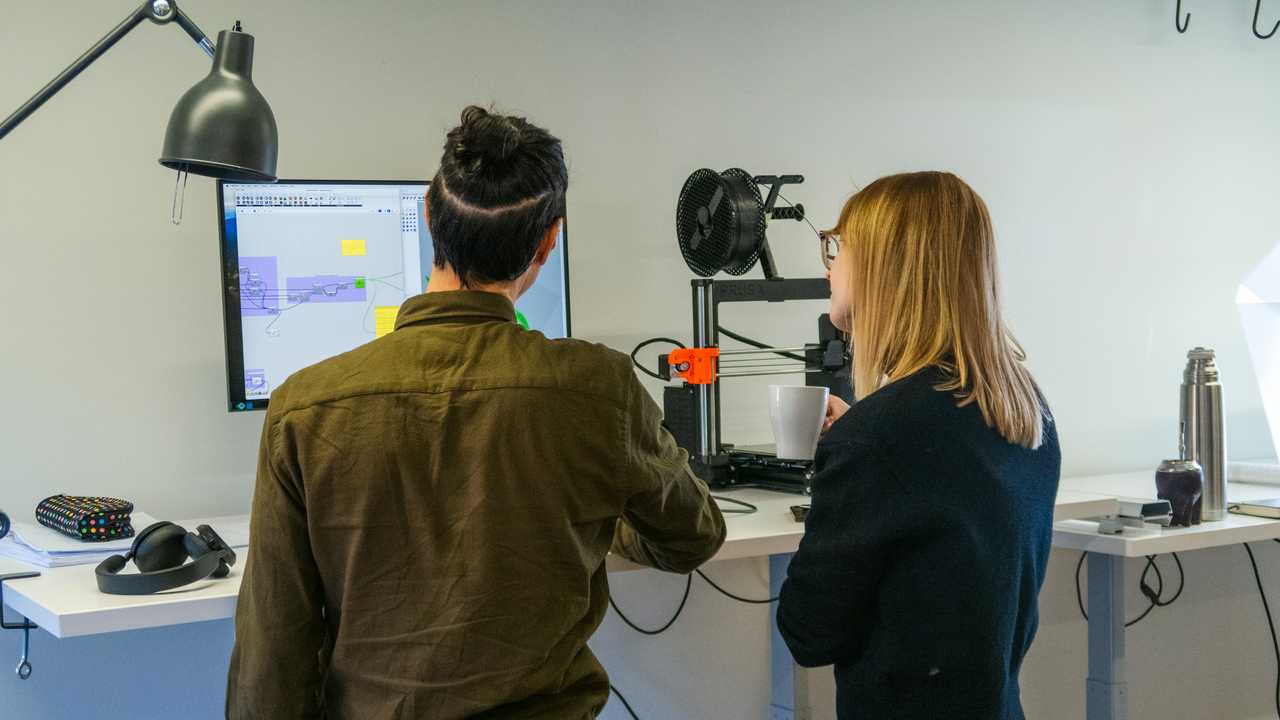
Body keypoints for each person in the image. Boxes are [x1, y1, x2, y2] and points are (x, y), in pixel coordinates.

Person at [226, 106, 726, 720]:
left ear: (429, 215)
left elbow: (273, 657)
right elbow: (693, 537)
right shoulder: (599, 388)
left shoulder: (301, 408)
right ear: (549, 240)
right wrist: (590, 513)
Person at [776, 171, 1061, 720]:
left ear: (887, 269)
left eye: (839, 249)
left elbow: (807, 633)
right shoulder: (1026, 409)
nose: (828, 266)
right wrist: (864, 439)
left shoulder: (878, 438)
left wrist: (853, 457)